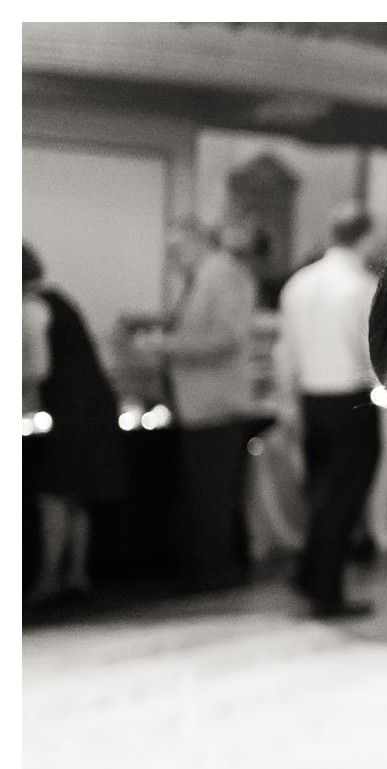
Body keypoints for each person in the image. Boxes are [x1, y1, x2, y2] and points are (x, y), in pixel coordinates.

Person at [136, 218, 259, 592]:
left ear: (198, 242)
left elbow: (226, 337)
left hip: (216, 404)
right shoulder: (203, 277)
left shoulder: (223, 276)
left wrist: (163, 346)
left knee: (212, 496)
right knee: (200, 495)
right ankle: (199, 570)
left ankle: (213, 574)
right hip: (197, 404)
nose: (172, 259)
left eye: (176, 250)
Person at [276, 203, 383, 619]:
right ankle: (327, 591)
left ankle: (309, 572)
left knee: (321, 490)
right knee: (346, 495)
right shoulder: (361, 285)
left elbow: (286, 350)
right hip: (349, 399)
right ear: (366, 236)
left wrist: (289, 403)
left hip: (310, 397)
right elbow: (370, 349)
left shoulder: (299, 283)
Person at [22, 243, 127, 608]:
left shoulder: (30, 309)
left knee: (52, 492)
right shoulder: (57, 298)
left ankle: (48, 579)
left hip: (70, 408)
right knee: (76, 491)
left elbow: (37, 368)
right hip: (95, 405)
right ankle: (77, 575)